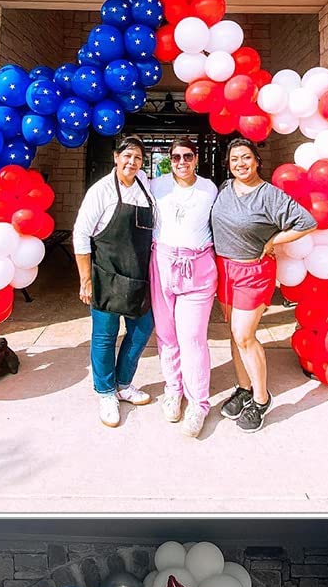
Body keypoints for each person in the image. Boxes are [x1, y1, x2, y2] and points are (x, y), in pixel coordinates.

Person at [210, 137, 316, 433]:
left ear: (257, 161)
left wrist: (273, 240)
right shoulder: (224, 190)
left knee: (245, 335)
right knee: (234, 333)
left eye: (246, 158)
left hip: (252, 272)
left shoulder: (270, 195)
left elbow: (306, 222)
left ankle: (260, 398)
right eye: (234, 160)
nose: (240, 164)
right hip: (224, 269)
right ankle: (244, 388)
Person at [73, 134, 156, 429]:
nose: (131, 162)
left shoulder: (146, 185)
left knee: (143, 329)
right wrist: (86, 280)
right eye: (127, 156)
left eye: (137, 157)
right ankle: (106, 392)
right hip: (106, 274)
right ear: (115, 157)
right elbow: (81, 234)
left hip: (138, 276)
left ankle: (123, 383)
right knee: (105, 336)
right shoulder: (101, 190)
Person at [150, 137, 219, 438]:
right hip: (163, 263)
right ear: (169, 159)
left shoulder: (209, 189)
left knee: (192, 337)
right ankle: (173, 390)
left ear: (196, 158)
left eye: (187, 156)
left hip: (198, 267)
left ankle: (198, 403)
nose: (181, 162)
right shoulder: (155, 185)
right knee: (166, 335)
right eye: (175, 157)